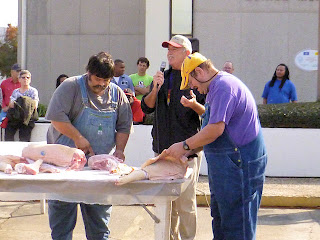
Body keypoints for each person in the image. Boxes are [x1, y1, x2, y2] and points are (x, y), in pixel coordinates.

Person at [166, 52, 267, 240]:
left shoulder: (223, 87)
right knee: (222, 221)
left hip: (240, 167)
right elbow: (211, 128)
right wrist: (190, 150)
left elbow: (215, 130)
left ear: (199, 71)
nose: (194, 89)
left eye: (192, 83)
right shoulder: (216, 88)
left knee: (237, 226)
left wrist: (185, 146)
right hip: (228, 168)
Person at [45, 52, 133, 239]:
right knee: (61, 225)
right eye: (97, 79)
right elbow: (56, 118)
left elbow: (124, 126)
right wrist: (78, 138)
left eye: (106, 80)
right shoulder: (70, 87)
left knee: (99, 227)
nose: (101, 84)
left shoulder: (117, 94)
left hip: (98, 171)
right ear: (88, 73)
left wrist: (119, 150)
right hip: (64, 168)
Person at [141, 35, 206, 240]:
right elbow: (146, 107)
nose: (169, 52)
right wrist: (155, 88)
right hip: (162, 149)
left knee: (185, 203)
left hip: (187, 150)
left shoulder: (196, 79)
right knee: (165, 203)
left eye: (174, 49)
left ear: (187, 54)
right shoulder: (162, 77)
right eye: (168, 48)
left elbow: (207, 113)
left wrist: (193, 104)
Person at [5, 70, 39, 141]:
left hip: (28, 118)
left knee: (25, 138)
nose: (26, 79)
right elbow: (11, 104)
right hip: (16, 117)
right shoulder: (16, 91)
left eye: (28, 77)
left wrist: (20, 103)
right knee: (8, 134)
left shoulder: (33, 91)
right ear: (19, 79)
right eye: (23, 77)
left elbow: (35, 105)